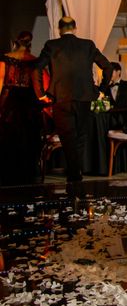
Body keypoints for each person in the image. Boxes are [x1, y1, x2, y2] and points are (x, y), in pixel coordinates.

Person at [34, 18, 113, 187]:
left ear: (59, 29)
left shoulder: (51, 46)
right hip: (84, 97)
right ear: (75, 28)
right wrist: (102, 89)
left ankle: (74, 175)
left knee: (68, 137)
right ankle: (75, 175)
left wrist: (41, 94)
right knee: (80, 137)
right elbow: (108, 67)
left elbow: (36, 69)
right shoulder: (87, 45)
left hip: (61, 97)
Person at [0, 32, 42, 185]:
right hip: (27, 101)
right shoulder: (34, 60)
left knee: (8, 137)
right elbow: (37, 84)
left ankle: (8, 173)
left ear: (15, 42)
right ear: (29, 44)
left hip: (10, 99)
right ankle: (26, 174)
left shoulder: (7, 58)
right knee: (27, 137)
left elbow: (0, 80)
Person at [103, 62, 127, 130]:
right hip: (112, 124)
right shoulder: (106, 89)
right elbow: (107, 106)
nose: (108, 73)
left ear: (118, 72)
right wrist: (126, 103)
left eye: (111, 71)